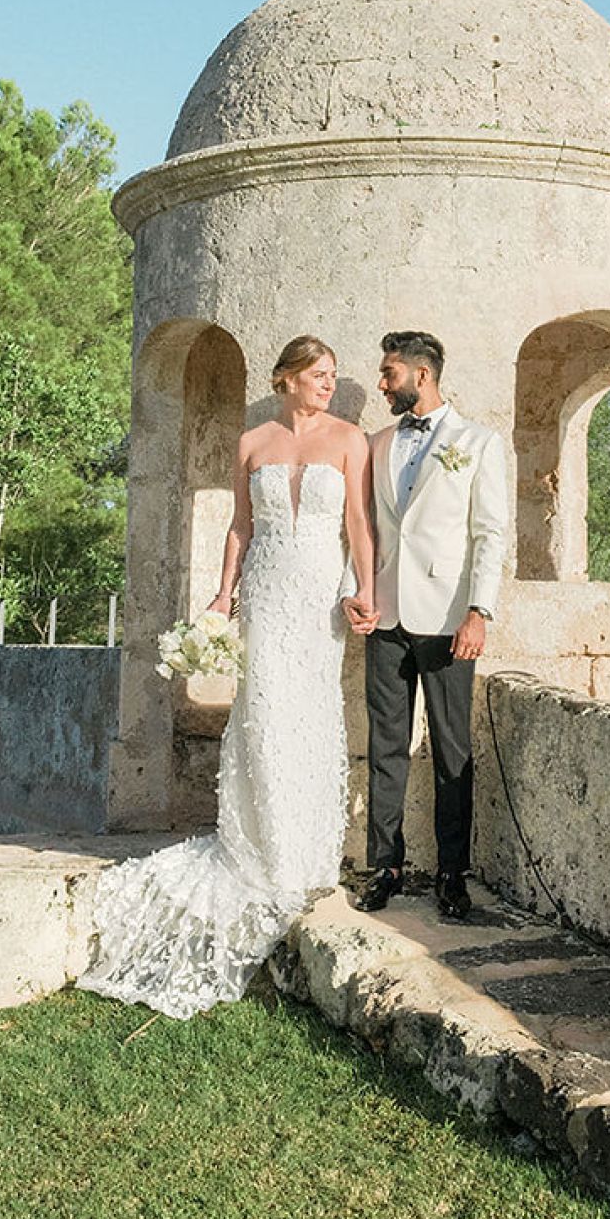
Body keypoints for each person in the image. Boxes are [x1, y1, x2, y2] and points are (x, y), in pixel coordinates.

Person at [76, 334, 375, 1019]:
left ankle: (306, 858)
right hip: (266, 589)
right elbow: (241, 526)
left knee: (310, 716)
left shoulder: (349, 440)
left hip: (319, 595)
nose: (328, 383)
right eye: (318, 374)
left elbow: (358, 523)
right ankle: (264, 850)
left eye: (332, 375)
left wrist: (365, 587)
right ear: (286, 378)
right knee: (263, 714)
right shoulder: (252, 442)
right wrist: (221, 594)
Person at [347, 329, 507, 923]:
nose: (382, 384)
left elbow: (490, 535)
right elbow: (363, 527)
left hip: (447, 619)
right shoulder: (378, 442)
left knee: (451, 750)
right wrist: (356, 591)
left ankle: (450, 873)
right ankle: (385, 866)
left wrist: (479, 611)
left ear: (422, 374)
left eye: (389, 374)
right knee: (385, 745)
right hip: (385, 615)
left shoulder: (478, 442)